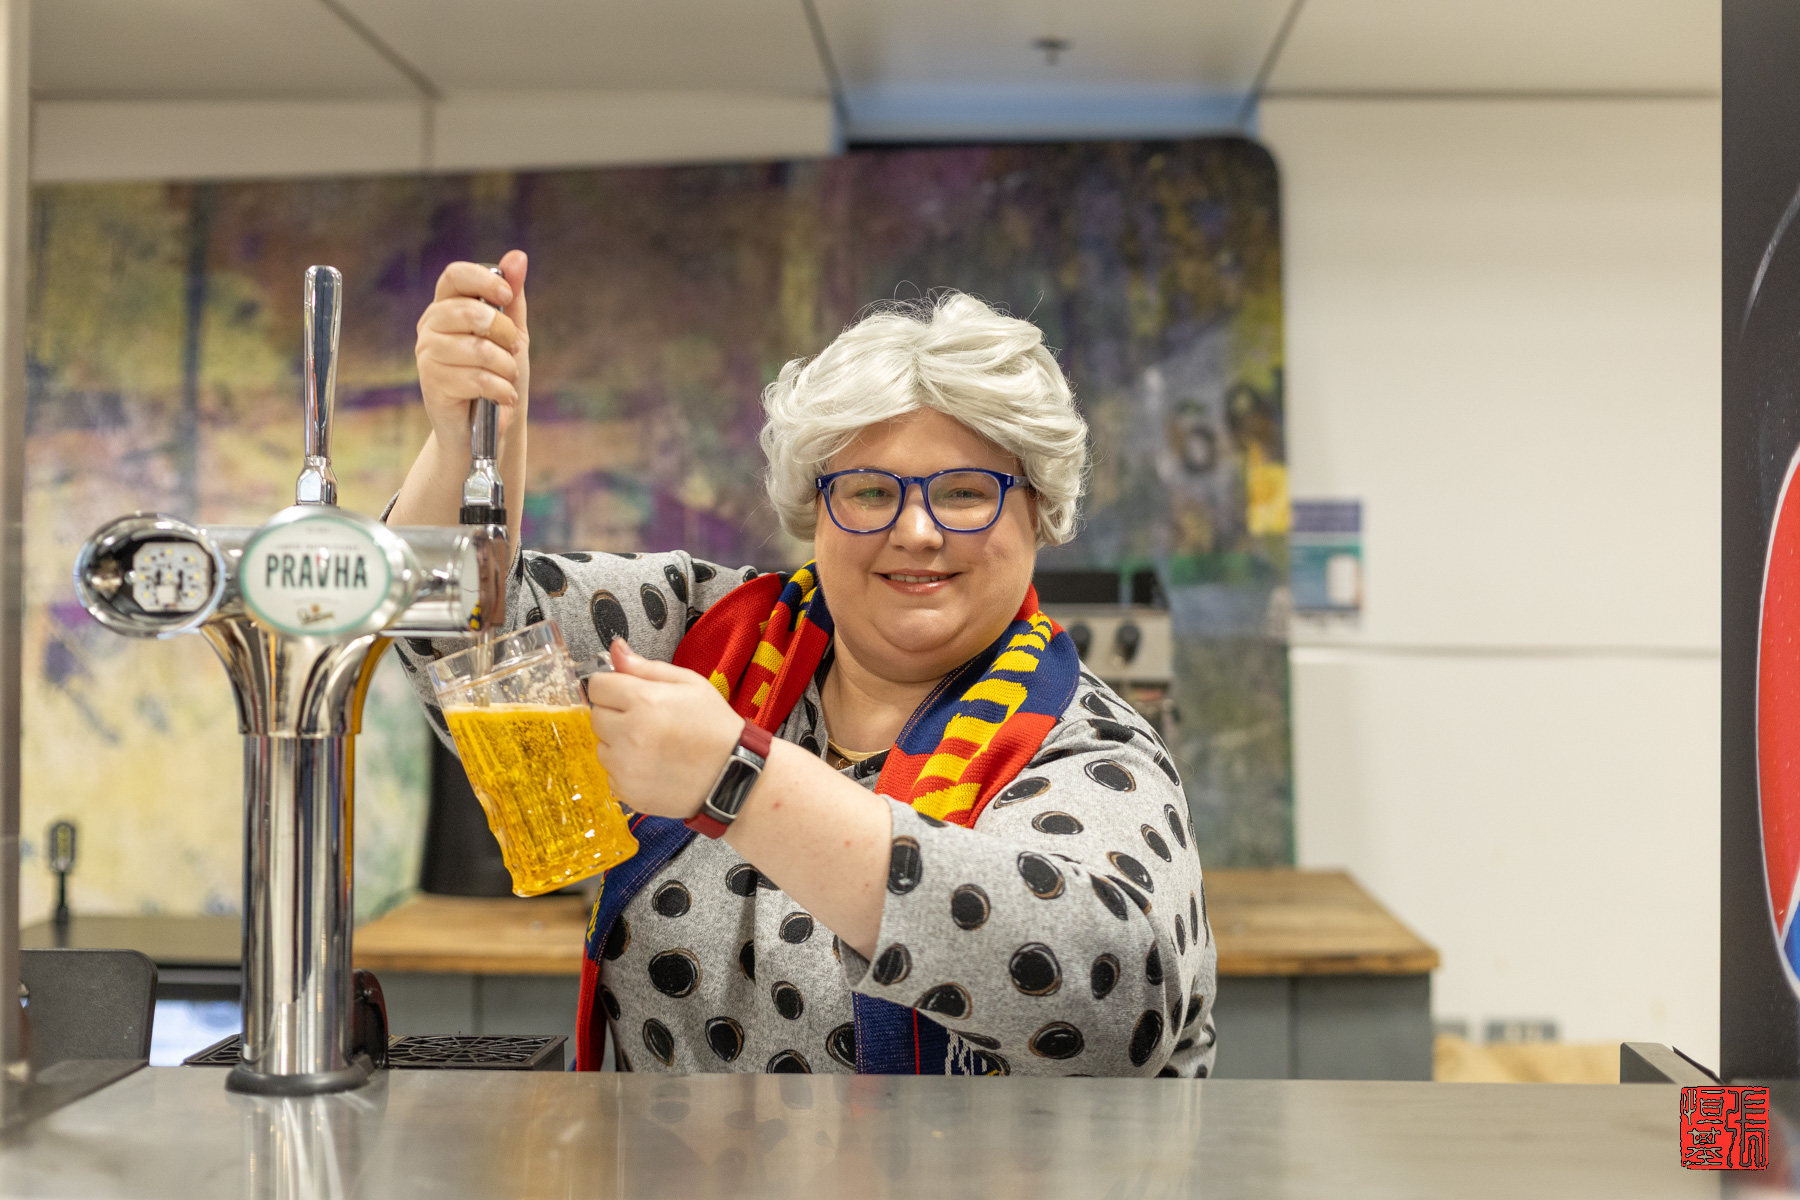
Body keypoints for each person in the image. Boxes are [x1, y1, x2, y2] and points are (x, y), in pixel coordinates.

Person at [389, 252, 1217, 1077]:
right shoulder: (700, 631)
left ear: (1041, 509)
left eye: (966, 492)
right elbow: (458, 638)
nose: (917, 531)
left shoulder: (1086, 748)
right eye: (869, 492)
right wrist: (465, 442)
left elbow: (1113, 1005)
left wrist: (737, 781)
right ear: (814, 509)